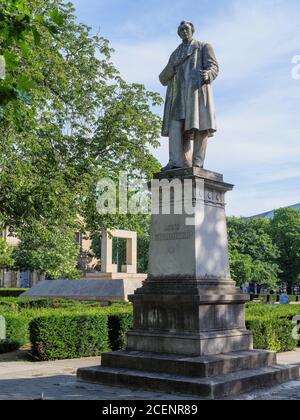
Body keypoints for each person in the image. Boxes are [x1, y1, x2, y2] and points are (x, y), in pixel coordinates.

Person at [159, 21, 219, 170]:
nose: (184, 31)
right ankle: (176, 162)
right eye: (181, 29)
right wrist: (173, 66)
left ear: (193, 30)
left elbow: (214, 67)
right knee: (176, 126)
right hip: (178, 96)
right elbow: (163, 79)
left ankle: (197, 162)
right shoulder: (175, 54)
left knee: (200, 126)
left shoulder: (203, 46)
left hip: (196, 93)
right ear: (178, 33)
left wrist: (209, 74)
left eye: (186, 28)